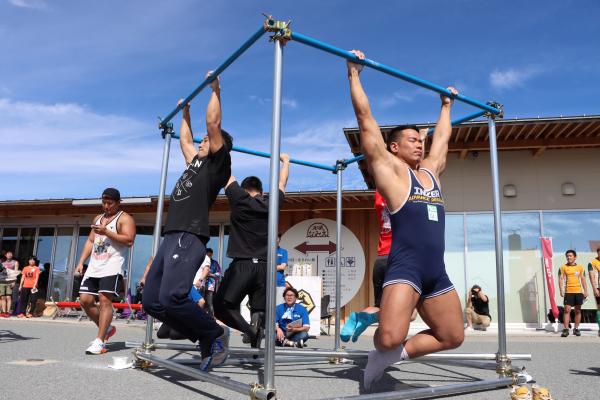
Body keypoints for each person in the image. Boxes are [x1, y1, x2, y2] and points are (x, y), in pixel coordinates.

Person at [346, 49, 464, 390]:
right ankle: (382, 353)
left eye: (419, 140)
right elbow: (366, 121)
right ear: (394, 147)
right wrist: (354, 75)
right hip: (406, 268)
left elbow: (441, 140)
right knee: (388, 336)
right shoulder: (392, 175)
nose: (418, 144)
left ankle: (390, 358)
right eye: (411, 140)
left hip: (435, 271)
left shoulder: (431, 172)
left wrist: (446, 106)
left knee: (453, 335)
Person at [142, 72, 233, 371]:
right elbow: (184, 139)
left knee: (172, 296)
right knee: (152, 302)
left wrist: (215, 90)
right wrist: (185, 112)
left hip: (189, 235)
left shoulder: (218, 165)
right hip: (172, 237)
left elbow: (213, 125)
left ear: (220, 146)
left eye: (208, 140)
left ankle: (214, 333)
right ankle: (206, 336)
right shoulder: (196, 161)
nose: (203, 139)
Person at [214, 153, 290, 349]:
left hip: (243, 264)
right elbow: (282, 182)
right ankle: (256, 350)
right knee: (259, 310)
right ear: (262, 192)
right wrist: (286, 161)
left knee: (222, 306)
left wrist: (224, 151)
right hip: (265, 267)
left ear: (245, 190)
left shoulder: (239, 198)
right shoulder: (272, 203)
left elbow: (226, 175)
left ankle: (249, 331)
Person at [341, 189, 418, 343]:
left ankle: (360, 317)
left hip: (381, 259)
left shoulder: (379, 197)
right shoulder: (405, 197)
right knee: (410, 313)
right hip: (400, 258)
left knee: (380, 306)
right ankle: (396, 347)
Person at [75, 188, 136, 354]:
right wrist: (81, 262)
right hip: (94, 267)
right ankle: (107, 329)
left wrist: (107, 232)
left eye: (110, 203)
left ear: (118, 203)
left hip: (112, 266)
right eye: (104, 202)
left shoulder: (124, 218)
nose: (106, 206)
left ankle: (100, 341)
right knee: (85, 301)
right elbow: (90, 241)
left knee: (104, 301)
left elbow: (129, 240)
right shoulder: (98, 218)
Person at [558, 249, 588, 337]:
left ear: (575, 257)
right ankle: (566, 329)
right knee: (567, 310)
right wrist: (561, 290)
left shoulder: (580, 267)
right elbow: (560, 279)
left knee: (578, 311)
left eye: (570, 256)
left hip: (578, 292)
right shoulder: (563, 267)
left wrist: (586, 291)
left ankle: (576, 329)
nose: (568, 257)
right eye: (567, 256)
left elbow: (583, 279)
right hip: (568, 292)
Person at [203, 248, 221, 317]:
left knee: (209, 302)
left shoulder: (215, 263)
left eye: (210, 255)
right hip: (201, 284)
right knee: (201, 301)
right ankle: (202, 317)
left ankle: (211, 317)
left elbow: (219, 273)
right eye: (207, 255)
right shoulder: (201, 262)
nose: (209, 256)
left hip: (210, 285)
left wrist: (211, 274)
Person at [2, 251, 20, 316]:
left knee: (9, 297)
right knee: (3, 297)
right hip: (3, 281)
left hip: (11, 281)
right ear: (6, 255)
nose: (9, 255)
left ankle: (8, 311)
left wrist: (14, 281)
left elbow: (15, 272)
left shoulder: (15, 262)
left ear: (12, 255)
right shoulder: (2, 263)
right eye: (8, 254)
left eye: (11, 254)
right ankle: (3, 312)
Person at [588, 247, 600, 336]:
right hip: (598, 287)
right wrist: (594, 288)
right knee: (599, 308)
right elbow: (591, 276)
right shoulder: (592, 262)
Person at [276, 234, 288, 303]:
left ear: (279, 240)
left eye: (277, 238)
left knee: (279, 305)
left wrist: (269, 267)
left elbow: (283, 266)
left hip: (280, 283)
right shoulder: (266, 251)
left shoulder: (283, 251)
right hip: (266, 283)